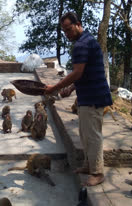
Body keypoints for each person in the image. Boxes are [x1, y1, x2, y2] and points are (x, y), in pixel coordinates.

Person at [45, 12, 112, 186]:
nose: (67, 34)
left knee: (93, 135)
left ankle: (97, 172)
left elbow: (77, 72)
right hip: (87, 95)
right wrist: (71, 88)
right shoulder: (86, 41)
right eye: (64, 31)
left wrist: (55, 88)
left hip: (93, 97)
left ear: (78, 24)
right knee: (85, 134)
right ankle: (88, 165)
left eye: (69, 29)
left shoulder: (82, 44)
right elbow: (85, 72)